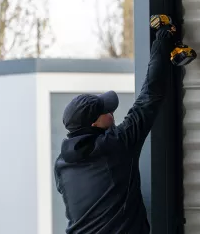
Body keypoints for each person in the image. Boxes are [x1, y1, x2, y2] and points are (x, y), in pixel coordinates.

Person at [54, 21, 176, 234]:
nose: (112, 113)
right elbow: (150, 95)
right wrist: (162, 41)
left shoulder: (61, 165)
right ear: (93, 124)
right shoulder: (117, 145)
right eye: (106, 112)